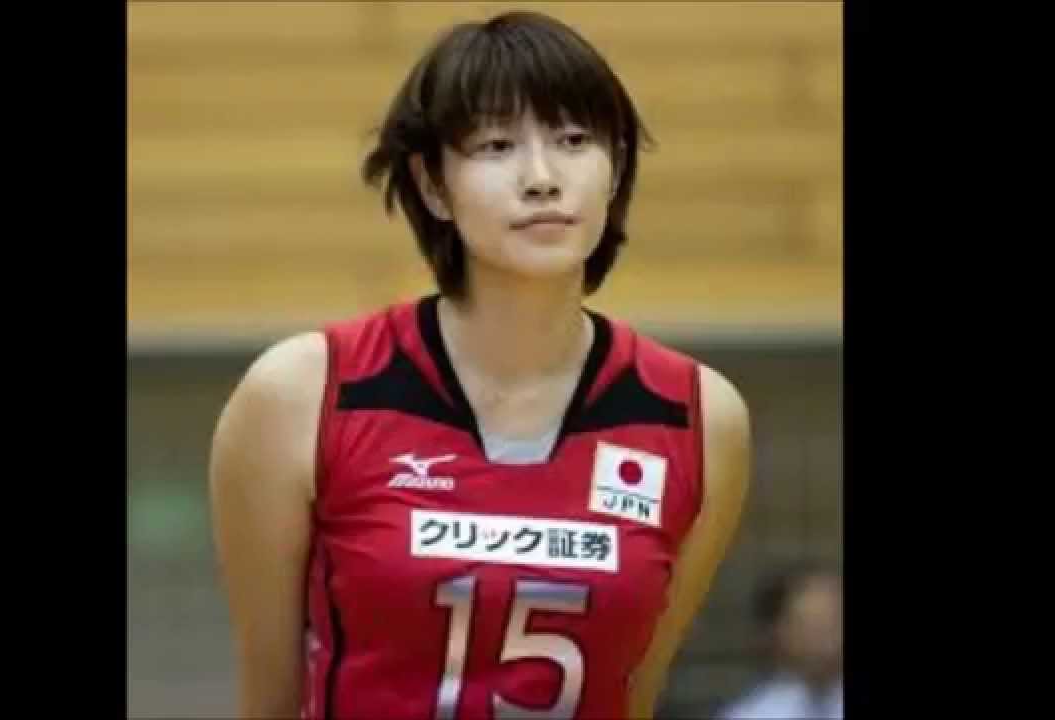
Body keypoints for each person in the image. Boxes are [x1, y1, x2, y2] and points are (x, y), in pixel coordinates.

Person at [209, 10, 751, 719]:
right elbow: (270, 699)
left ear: (616, 168)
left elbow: (632, 694)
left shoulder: (700, 417)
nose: (542, 178)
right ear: (433, 184)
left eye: (574, 140)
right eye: (496, 145)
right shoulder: (302, 394)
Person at [717, 563, 843, 719]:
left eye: (834, 620)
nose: (828, 640)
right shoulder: (750, 714)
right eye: (811, 624)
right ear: (776, 631)